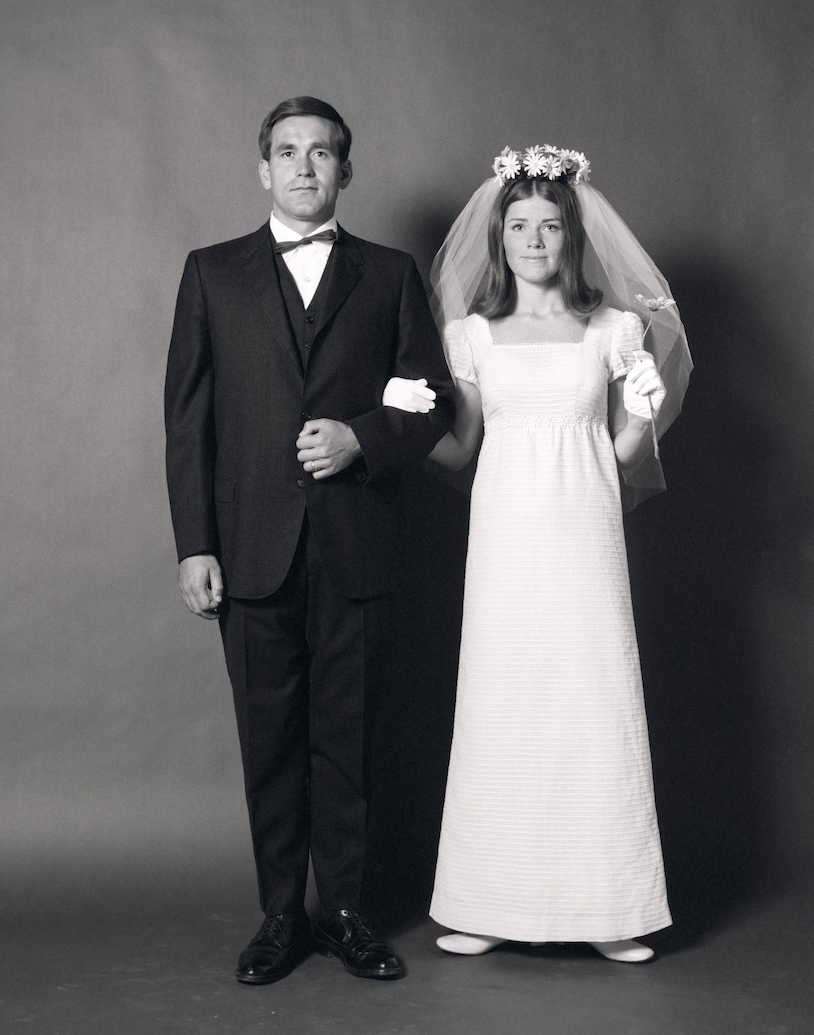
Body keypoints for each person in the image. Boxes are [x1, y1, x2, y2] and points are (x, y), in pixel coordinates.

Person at [164, 96, 454, 985]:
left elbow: (429, 395)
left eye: (321, 153)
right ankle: (281, 918)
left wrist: (365, 438)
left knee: (349, 738)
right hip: (249, 548)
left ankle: (349, 913)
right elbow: (188, 423)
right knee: (271, 742)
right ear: (263, 169)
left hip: (356, 543)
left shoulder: (392, 273)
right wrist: (195, 544)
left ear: (345, 171)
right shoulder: (211, 273)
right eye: (287, 153)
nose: (303, 167)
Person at [383, 145, 691, 962]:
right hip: (506, 541)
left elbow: (621, 459)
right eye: (518, 225)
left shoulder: (615, 329)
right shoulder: (470, 335)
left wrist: (640, 415)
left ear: (571, 235)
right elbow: (461, 452)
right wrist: (403, 424)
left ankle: (609, 910)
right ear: (499, 236)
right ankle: (489, 904)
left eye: (549, 225)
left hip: (585, 537)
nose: (533, 239)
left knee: (593, 704)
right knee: (502, 704)